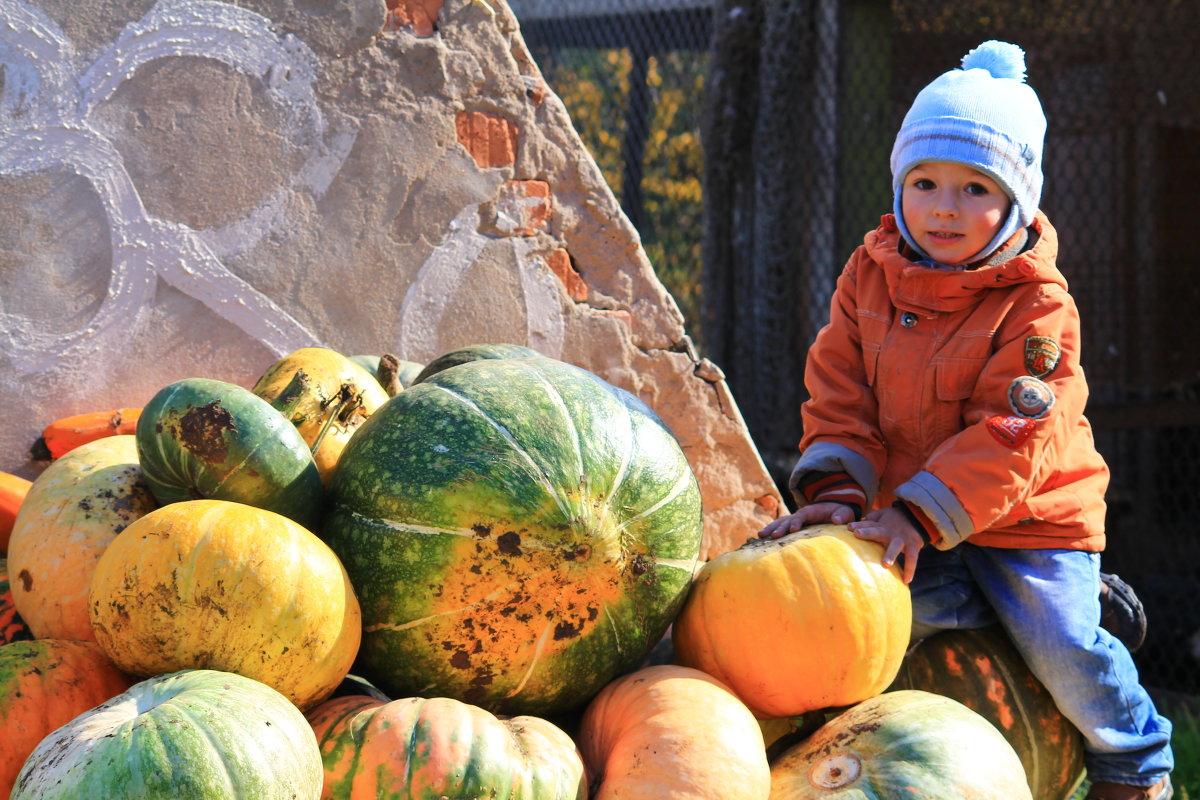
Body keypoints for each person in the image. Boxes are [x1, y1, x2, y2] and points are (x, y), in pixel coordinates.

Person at [759, 40, 1173, 799]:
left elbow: (1013, 436)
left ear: (1016, 201)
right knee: (860, 633)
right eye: (924, 182)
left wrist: (917, 514)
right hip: (910, 510)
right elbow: (839, 392)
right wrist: (841, 494)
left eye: (975, 188)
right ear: (899, 184)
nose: (944, 207)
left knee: (1060, 647)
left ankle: (1135, 759)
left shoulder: (1038, 305)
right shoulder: (867, 275)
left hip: (1028, 522)